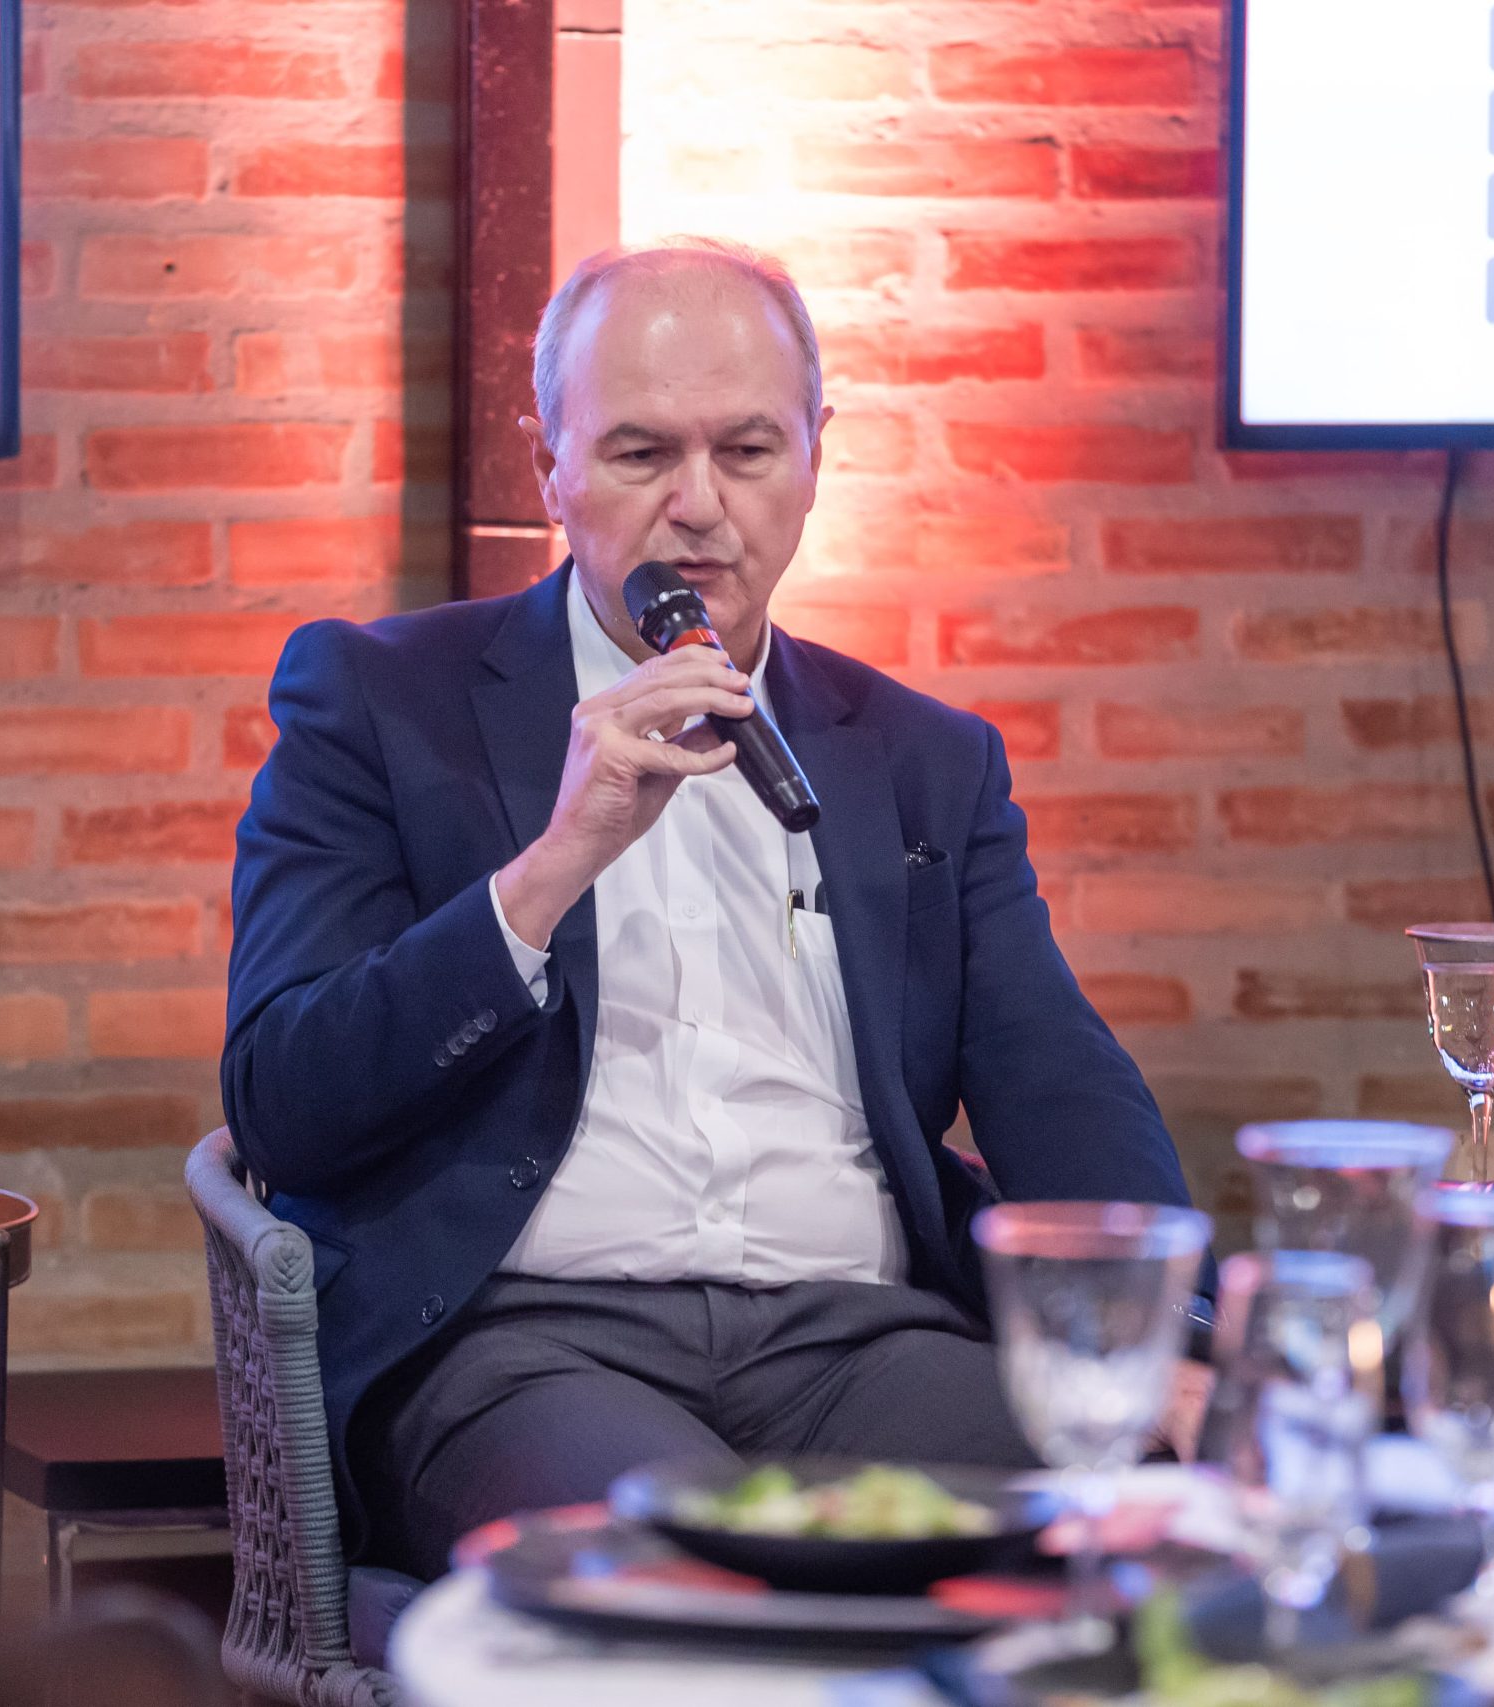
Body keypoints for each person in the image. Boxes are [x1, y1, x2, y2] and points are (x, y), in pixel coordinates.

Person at [222, 237, 1201, 1580]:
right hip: (524, 1341)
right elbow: (283, 1099)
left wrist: (1168, 1344)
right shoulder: (381, 702)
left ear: (815, 457)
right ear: (550, 465)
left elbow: (1058, 1082)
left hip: (857, 1341)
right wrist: (552, 865)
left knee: (1135, 1534)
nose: (699, 507)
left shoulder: (921, 757)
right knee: (687, 1585)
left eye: (747, 451)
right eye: (641, 455)